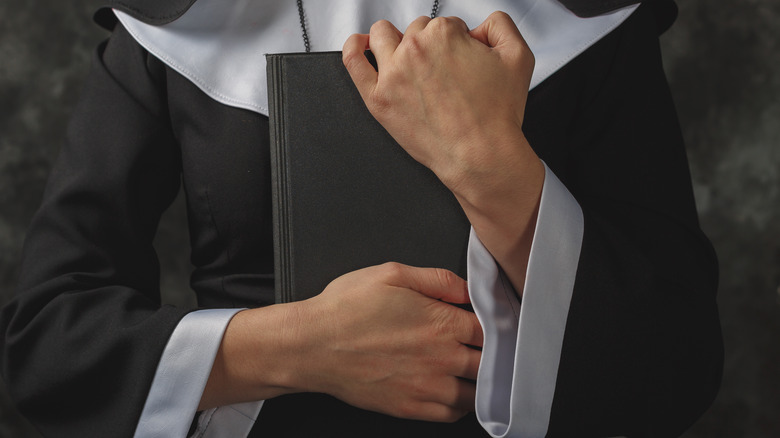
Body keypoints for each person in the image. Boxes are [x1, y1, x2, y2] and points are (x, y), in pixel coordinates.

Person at [0, 0, 723, 437]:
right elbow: (49, 347)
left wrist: (488, 163)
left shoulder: (589, 21)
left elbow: (674, 365)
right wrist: (298, 348)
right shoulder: (171, 25)